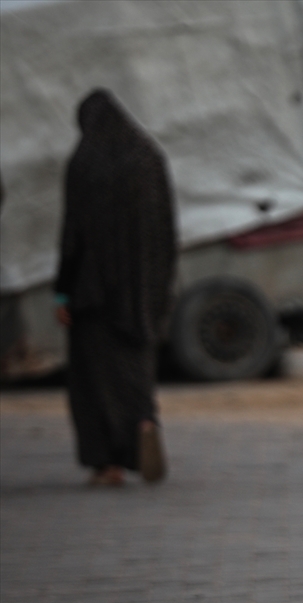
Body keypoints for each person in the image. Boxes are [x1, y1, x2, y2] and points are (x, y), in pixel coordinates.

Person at [54, 89, 177, 486]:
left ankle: (107, 464)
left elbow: (73, 235)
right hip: (143, 293)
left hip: (95, 296)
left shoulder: (85, 163)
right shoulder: (149, 158)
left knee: (94, 383)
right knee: (136, 372)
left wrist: (62, 292)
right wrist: (158, 289)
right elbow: (166, 231)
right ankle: (143, 424)